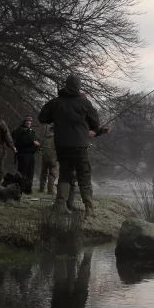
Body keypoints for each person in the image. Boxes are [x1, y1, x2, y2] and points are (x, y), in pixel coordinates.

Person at [38, 74, 110, 216]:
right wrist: (91, 129)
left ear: (66, 85)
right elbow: (95, 124)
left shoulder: (56, 102)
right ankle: (89, 208)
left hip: (62, 145)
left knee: (65, 174)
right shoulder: (85, 103)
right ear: (78, 86)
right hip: (80, 145)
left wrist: (57, 118)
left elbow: (42, 118)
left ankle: (61, 205)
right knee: (84, 175)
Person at [12, 116, 40, 194]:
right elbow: (21, 141)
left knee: (30, 172)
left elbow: (32, 141)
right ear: (24, 122)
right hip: (23, 154)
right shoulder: (19, 131)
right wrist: (33, 142)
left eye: (30, 121)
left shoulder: (31, 131)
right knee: (22, 172)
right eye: (27, 121)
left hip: (31, 154)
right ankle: (21, 188)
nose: (29, 122)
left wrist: (36, 146)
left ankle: (28, 189)